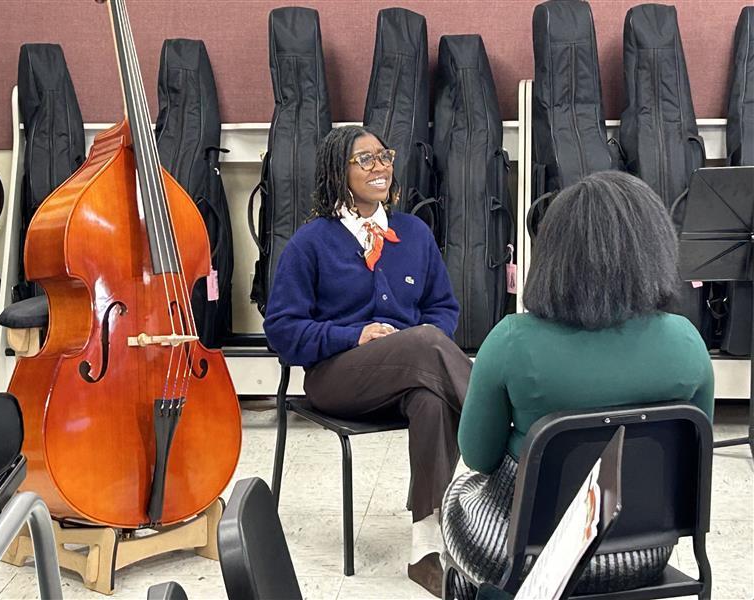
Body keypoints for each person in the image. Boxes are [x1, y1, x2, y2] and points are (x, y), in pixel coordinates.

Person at [441, 170, 715, 599]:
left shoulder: (512, 340)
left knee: (457, 495)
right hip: (642, 553)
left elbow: (477, 455)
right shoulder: (687, 342)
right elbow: (692, 461)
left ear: (554, 252)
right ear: (656, 247)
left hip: (527, 557)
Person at [264, 125, 472, 597]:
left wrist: (416, 342)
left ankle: (426, 549)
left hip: (410, 371)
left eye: (384, 156)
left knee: (431, 400)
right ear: (339, 173)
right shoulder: (310, 243)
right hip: (337, 379)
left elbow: (444, 309)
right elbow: (282, 331)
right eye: (366, 160)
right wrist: (353, 335)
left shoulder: (414, 233)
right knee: (422, 342)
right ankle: (508, 437)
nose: (381, 167)